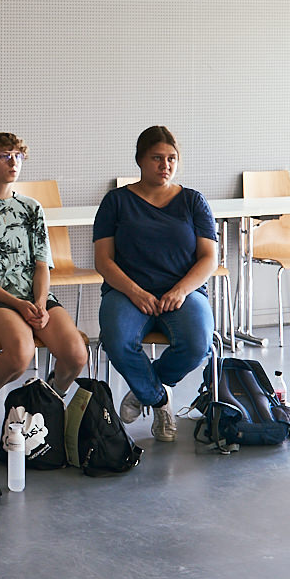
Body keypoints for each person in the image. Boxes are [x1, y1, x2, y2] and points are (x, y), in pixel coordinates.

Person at [92, 126, 218, 443]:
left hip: (182, 292)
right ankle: (160, 400)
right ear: (140, 160)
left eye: (172, 159)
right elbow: (103, 260)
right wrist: (134, 292)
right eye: (157, 158)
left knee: (198, 344)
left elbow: (208, 258)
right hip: (127, 292)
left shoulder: (193, 201)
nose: (165, 165)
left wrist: (181, 290)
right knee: (117, 341)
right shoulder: (116, 201)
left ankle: (144, 389)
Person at [0, 132, 89, 412]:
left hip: (33, 298)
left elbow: (42, 265)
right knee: (20, 354)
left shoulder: (31, 208)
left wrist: (39, 303)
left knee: (76, 355)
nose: (13, 162)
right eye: (4, 156)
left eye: (18, 156)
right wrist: (17, 304)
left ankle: (48, 399)